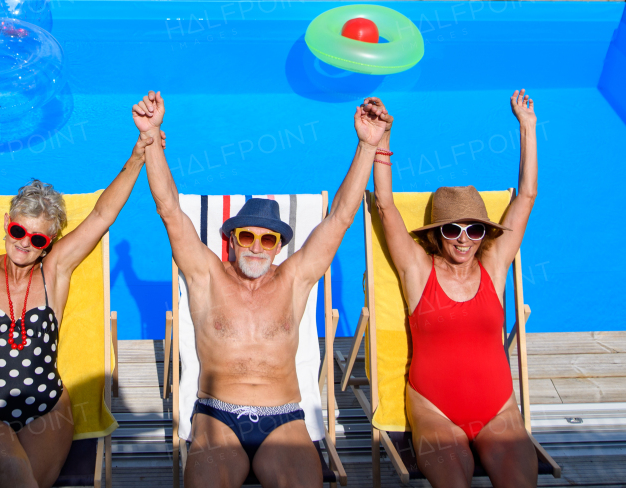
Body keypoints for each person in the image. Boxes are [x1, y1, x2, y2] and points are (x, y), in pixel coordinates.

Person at [135, 90, 393, 487]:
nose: (256, 246)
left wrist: (366, 145)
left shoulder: (294, 279)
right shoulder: (206, 277)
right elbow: (169, 209)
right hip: (216, 418)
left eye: (268, 239)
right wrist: (151, 135)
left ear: (279, 247)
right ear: (231, 240)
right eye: (247, 236)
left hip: (284, 420)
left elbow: (341, 217)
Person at [0, 98, 157, 488]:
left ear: (49, 243)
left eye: (37, 238)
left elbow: (103, 215)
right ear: (6, 223)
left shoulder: (55, 272)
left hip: (47, 407)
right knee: (12, 472)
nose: (24, 244)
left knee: (27, 480)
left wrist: (140, 151)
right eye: (18, 231)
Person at [372, 90, 540, 487]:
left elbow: (528, 196)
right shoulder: (417, 269)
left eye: (474, 229)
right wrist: (383, 138)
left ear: (485, 234)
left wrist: (528, 128)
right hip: (435, 410)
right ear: (436, 233)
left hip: (499, 410)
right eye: (452, 229)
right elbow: (385, 206)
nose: (463, 240)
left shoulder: (494, 266)